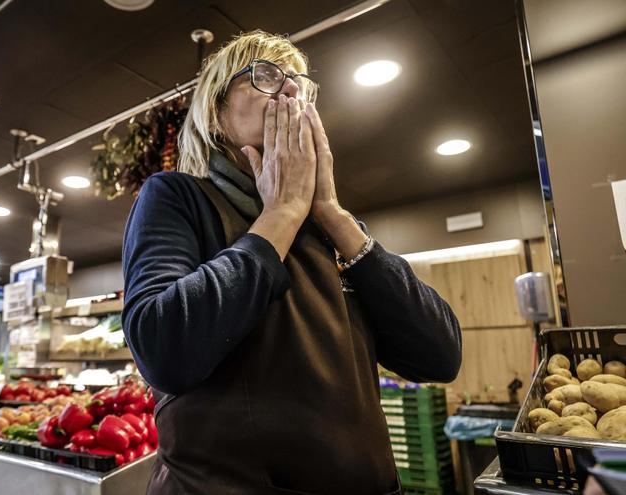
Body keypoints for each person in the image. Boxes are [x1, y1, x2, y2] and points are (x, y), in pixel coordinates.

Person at [122, 31, 462, 494]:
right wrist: (280, 214)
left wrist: (332, 213)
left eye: (300, 84)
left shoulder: (331, 228)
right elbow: (162, 349)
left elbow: (440, 356)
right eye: (266, 76)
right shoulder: (177, 196)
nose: (290, 91)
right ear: (216, 110)